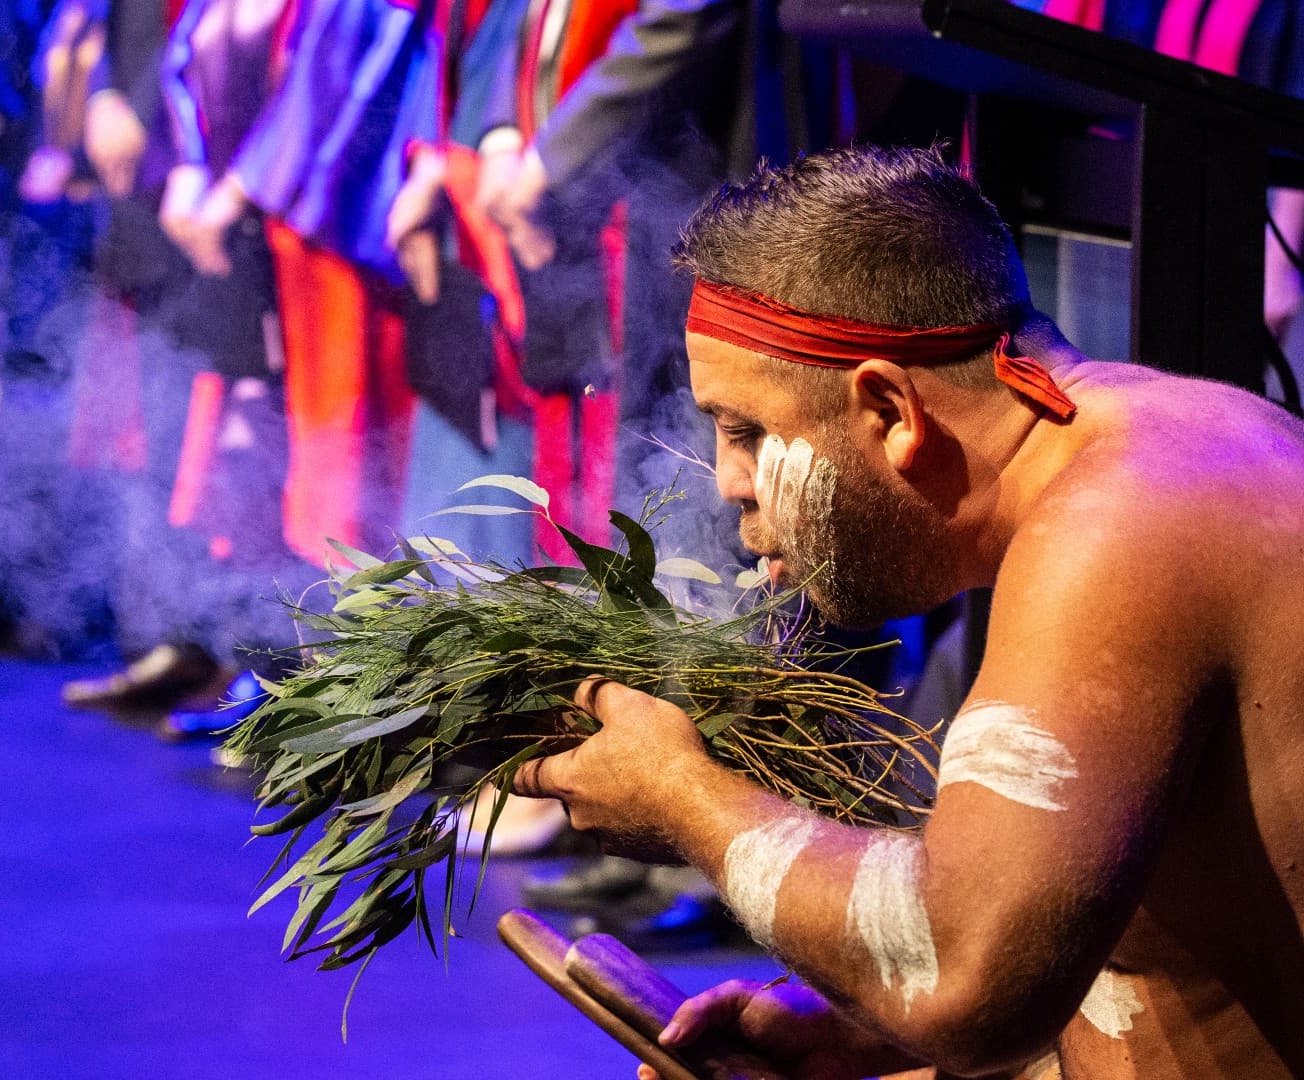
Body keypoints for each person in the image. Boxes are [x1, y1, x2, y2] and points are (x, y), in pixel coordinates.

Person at [513, 145, 1304, 1078]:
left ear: (890, 409)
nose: (729, 482)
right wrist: (868, 1032)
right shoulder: (1115, 474)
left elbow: (965, 985)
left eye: (748, 431)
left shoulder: (1125, 519)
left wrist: (681, 795)